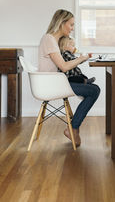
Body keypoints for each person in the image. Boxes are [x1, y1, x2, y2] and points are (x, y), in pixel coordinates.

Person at [38, 9, 100, 147]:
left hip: (55, 82)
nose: (72, 29)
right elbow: (64, 67)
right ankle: (73, 128)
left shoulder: (53, 40)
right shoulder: (49, 39)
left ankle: (74, 127)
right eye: (71, 25)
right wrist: (82, 58)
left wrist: (80, 59)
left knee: (94, 89)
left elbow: (64, 65)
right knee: (94, 91)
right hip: (51, 85)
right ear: (62, 23)